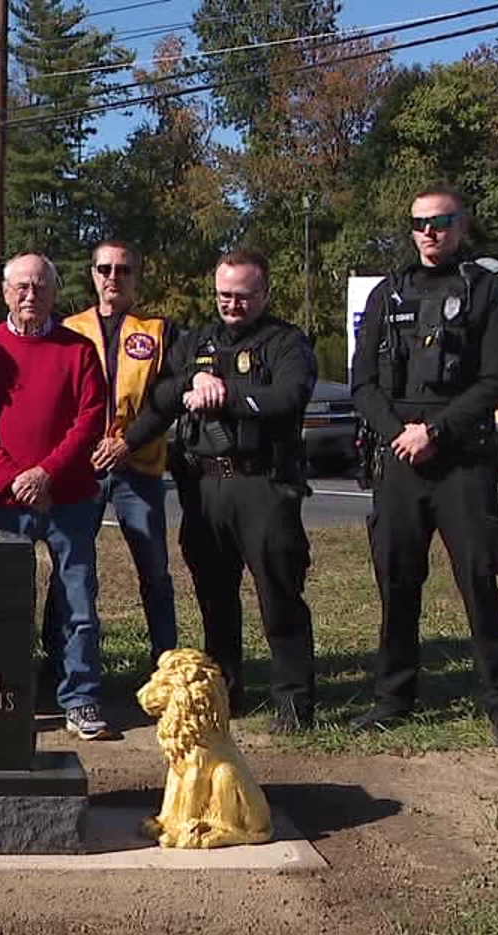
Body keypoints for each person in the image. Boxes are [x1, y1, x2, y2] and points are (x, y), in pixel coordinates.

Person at [349, 185, 498, 749]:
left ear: (461, 225)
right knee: (397, 583)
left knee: (478, 581)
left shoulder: (487, 292)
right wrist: (399, 433)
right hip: (399, 457)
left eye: (441, 222)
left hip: (461, 460)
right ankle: (392, 699)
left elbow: (497, 381)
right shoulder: (388, 293)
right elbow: (363, 383)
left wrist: (435, 430)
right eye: (420, 223)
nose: (429, 232)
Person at [126, 251, 318, 733]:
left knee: (279, 594)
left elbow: (289, 397)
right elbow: (162, 398)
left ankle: (293, 702)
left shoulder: (285, 342)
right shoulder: (196, 342)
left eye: (243, 296)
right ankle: (227, 693)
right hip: (204, 487)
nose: (232, 304)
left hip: (263, 485)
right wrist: (126, 440)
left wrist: (226, 394)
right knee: (214, 597)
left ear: (264, 293)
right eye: (224, 295)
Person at [0, 253, 110, 739]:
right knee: (1, 605)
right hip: (2, 502)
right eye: (21, 286)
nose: (30, 296)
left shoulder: (79, 350)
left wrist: (45, 473)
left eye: (40, 287)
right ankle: (3, 694)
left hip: (70, 499)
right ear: (3, 292)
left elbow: (90, 421)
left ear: (54, 292)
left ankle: (80, 697)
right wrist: (14, 478)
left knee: (78, 605)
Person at [59, 239, 179, 668]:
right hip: (81, 469)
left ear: (136, 276)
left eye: (123, 270)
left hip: (138, 468)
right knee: (69, 569)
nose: (114, 277)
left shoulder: (159, 331)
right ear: (92, 274)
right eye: (105, 268)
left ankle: (165, 663)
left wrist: (128, 442)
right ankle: (58, 660)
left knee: (155, 572)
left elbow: (167, 400)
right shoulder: (68, 329)